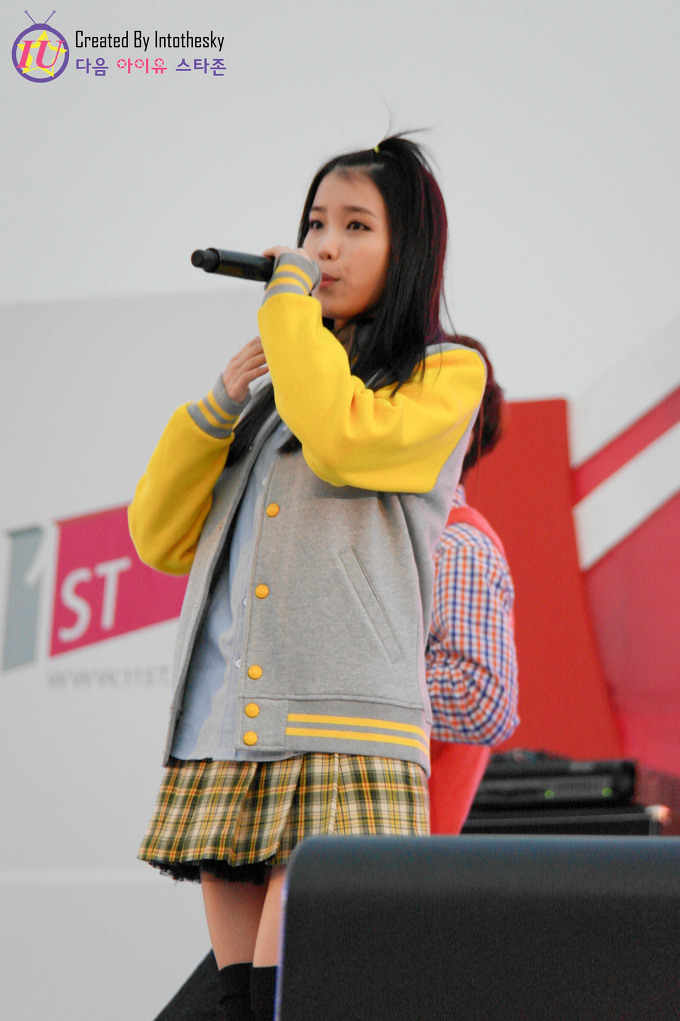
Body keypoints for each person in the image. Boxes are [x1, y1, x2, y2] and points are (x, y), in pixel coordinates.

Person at [129, 135, 486, 1021]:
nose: (324, 246)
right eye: (315, 224)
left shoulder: (444, 373)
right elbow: (161, 538)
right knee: (240, 1005)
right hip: (226, 726)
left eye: (356, 226)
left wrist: (288, 309)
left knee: (297, 995)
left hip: (342, 724)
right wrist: (217, 405)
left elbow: (342, 437)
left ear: (408, 251)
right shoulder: (272, 399)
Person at [426, 336, 519, 834]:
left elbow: (483, 699)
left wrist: (356, 683)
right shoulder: (424, 539)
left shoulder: (456, 544)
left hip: (397, 855)